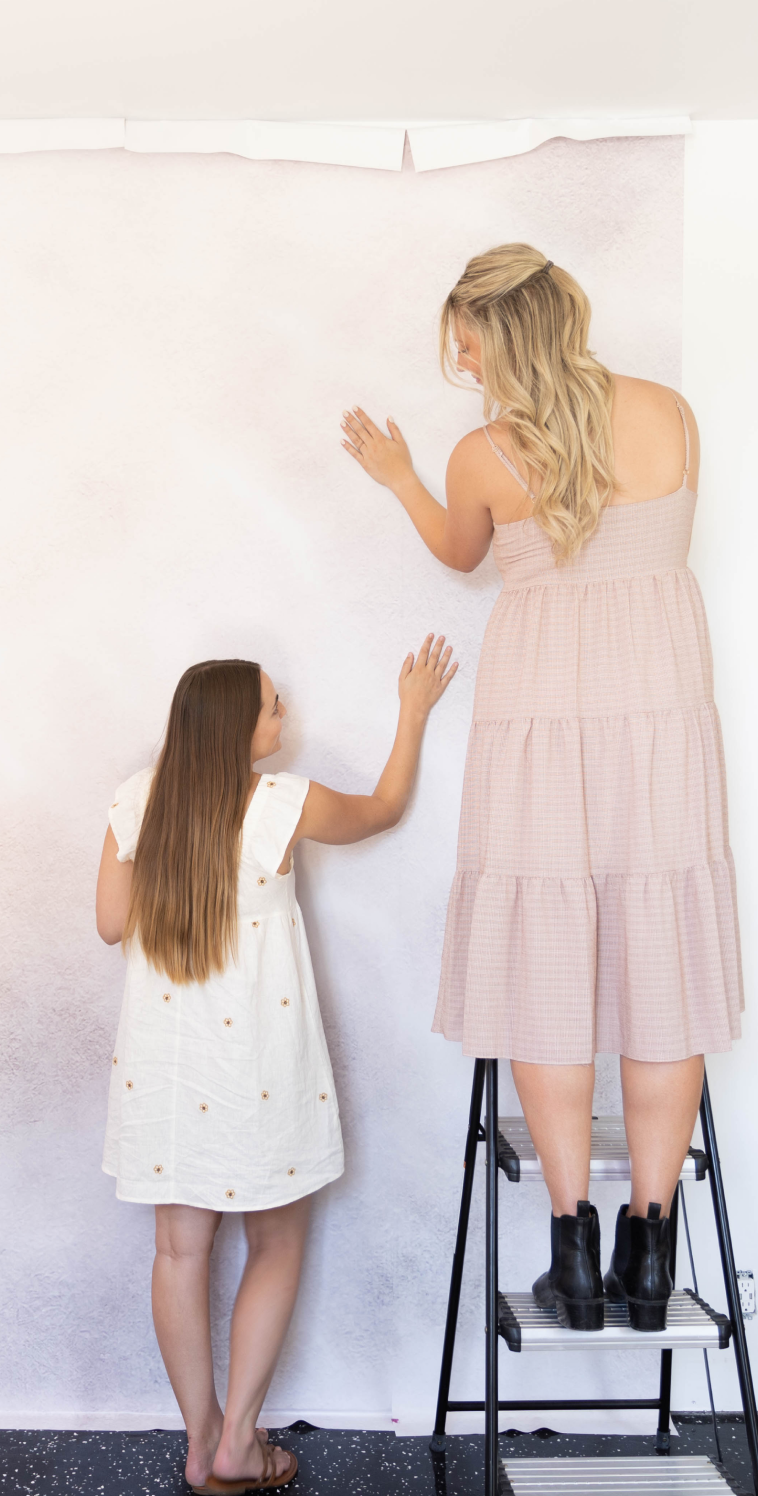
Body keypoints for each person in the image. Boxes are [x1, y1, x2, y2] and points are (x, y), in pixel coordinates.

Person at [341, 244, 743, 1335]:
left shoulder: (483, 454)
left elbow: (462, 559)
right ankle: (649, 1254)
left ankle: (573, 1253)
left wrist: (399, 481)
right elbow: (650, 562)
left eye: (465, 342)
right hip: (660, 716)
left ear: (503, 334)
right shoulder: (668, 413)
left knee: (546, 964)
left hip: (537, 724)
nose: (460, 362)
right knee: (660, 961)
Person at [96, 639, 456, 1492]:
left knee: (179, 1255)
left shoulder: (133, 803)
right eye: (271, 706)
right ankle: (239, 1446)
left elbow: (112, 924)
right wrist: (411, 714)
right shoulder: (282, 806)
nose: (283, 716)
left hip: (169, 1065)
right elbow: (383, 809)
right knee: (277, 1240)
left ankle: (200, 1445)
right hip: (262, 1062)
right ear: (233, 726)